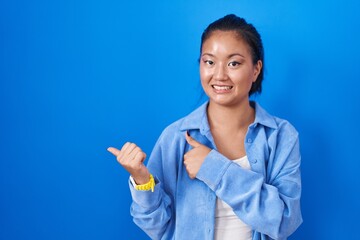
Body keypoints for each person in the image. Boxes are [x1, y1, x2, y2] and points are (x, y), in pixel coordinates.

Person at [108, 14, 302, 240]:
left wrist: (214, 167)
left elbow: (284, 221)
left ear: (256, 69)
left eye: (234, 63)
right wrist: (142, 180)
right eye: (209, 62)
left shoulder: (281, 136)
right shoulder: (175, 137)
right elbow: (157, 227)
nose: (219, 75)